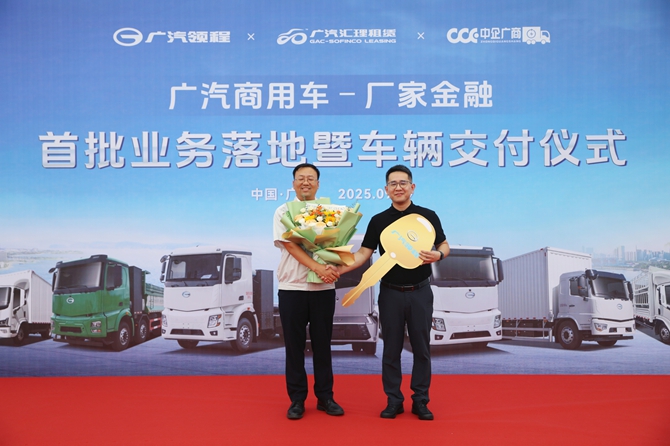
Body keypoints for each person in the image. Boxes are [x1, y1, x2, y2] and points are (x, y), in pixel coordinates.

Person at [337, 164, 449, 421]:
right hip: (390, 294)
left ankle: (421, 401)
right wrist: (337, 269)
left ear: (412, 187)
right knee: (391, 350)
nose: (398, 187)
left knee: (422, 349)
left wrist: (439, 255)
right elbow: (363, 254)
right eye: (393, 184)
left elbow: (444, 244)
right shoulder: (378, 220)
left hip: (420, 292)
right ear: (386, 189)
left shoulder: (427, 216)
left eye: (403, 183)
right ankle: (394, 401)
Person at [273, 163, 344, 420]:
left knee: (323, 345)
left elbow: (337, 246)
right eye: (301, 178)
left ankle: (325, 397)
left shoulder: (330, 213)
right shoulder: (283, 211)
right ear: (293, 184)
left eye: (311, 178)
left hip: (323, 287)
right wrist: (317, 266)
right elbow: (290, 246)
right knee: (294, 347)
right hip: (292, 287)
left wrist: (333, 266)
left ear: (318, 184)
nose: (306, 182)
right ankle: (297, 399)